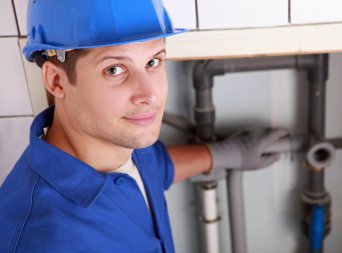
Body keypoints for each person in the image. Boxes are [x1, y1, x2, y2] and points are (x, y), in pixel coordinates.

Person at [0, 0, 288, 252]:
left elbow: (153, 167)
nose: (148, 95)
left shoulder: (119, 137)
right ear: (56, 81)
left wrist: (221, 154)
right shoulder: (43, 239)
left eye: (153, 61)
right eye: (115, 69)